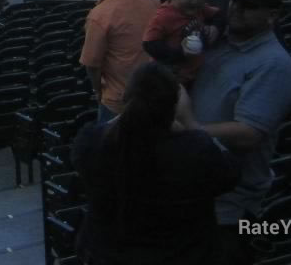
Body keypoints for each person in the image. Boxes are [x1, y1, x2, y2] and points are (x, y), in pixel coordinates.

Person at [72, 61, 241, 265]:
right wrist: (189, 121)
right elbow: (231, 174)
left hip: (106, 256)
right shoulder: (196, 150)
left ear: (126, 98)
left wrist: (127, 113)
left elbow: (107, 133)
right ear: (173, 108)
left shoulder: (91, 142)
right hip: (185, 257)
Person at [191, 0, 291, 264]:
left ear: (272, 15)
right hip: (193, 194)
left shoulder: (274, 64)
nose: (236, 7)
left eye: (248, 4)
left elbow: (249, 133)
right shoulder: (219, 38)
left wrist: (189, 130)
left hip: (227, 210)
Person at [78, 0, 160, 123]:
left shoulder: (98, 15)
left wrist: (98, 92)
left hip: (120, 102)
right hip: (156, 91)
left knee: (112, 147)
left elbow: (92, 66)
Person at [142, 0, 222, 86]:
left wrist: (215, 27)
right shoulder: (164, 16)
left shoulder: (200, 8)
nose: (195, 1)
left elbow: (219, 15)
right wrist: (180, 54)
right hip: (172, 80)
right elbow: (149, 44)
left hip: (197, 74)